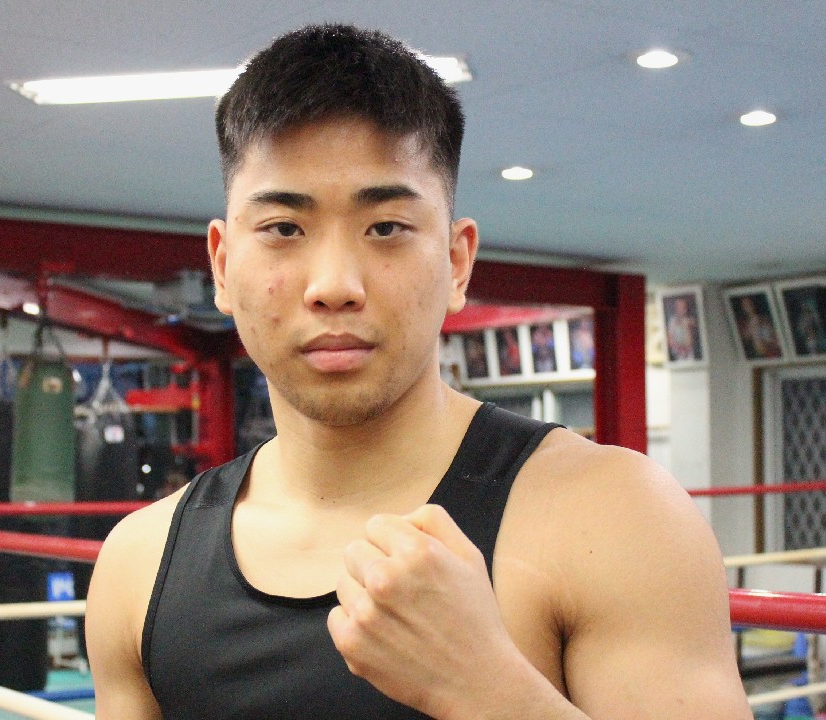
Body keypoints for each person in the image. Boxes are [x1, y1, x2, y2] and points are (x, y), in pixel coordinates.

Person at [86, 24, 750, 719]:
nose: (335, 285)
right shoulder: (139, 564)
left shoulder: (614, 517)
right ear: (222, 267)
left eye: (386, 228)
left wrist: (493, 692)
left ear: (457, 263)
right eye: (284, 228)